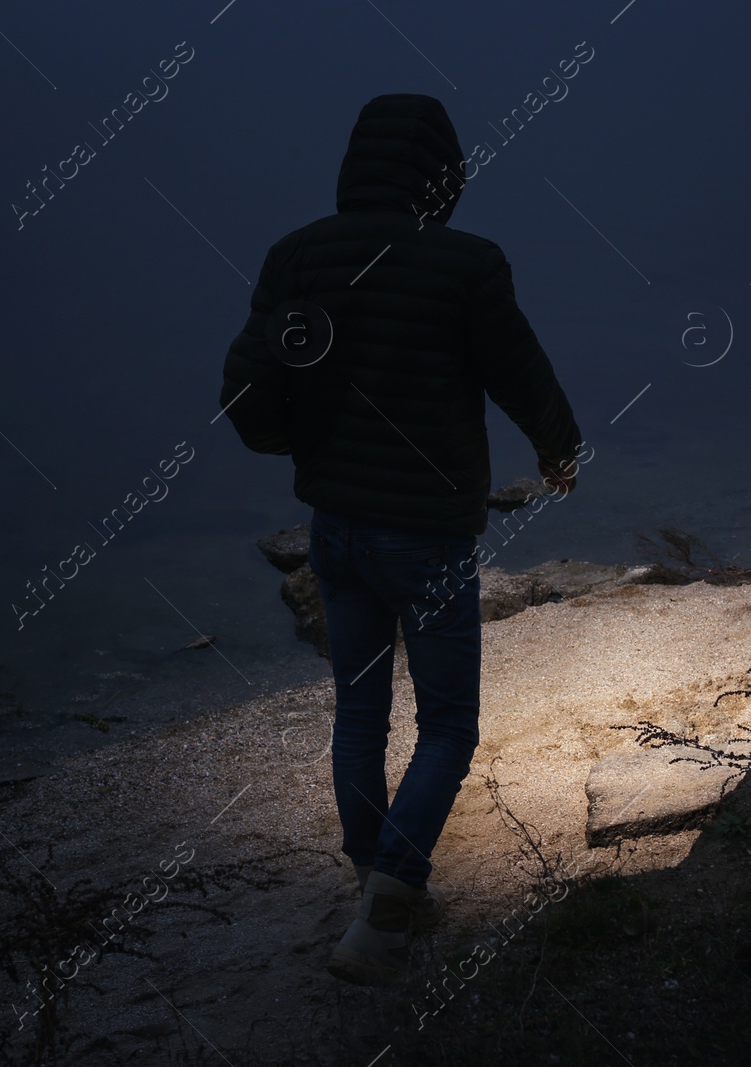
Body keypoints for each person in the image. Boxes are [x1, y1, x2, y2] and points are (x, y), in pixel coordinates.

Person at [218, 93, 584, 985]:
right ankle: (389, 897)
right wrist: (561, 451)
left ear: (356, 167)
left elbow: (248, 393)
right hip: (426, 534)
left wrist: (300, 440)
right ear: (444, 177)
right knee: (450, 723)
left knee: (359, 713)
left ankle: (372, 873)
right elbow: (520, 374)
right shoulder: (466, 264)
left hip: (334, 531)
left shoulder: (296, 256)